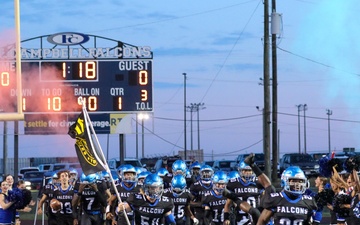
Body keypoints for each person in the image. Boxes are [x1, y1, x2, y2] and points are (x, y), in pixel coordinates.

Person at [243, 153, 317, 225]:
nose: (297, 184)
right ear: (285, 181)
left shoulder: (308, 201)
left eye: (300, 181)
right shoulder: (276, 199)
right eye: (293, 181)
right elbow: (262, 221)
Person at [223, 161, 261, 225]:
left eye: (249, 170)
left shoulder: (257, 183)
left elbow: (265, 201)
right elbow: (228, 204)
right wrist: (226, 218)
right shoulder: (233, 184)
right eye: (245, 170)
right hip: (239, 218)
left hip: (254, 218)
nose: (247, 173)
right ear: (240, 170)